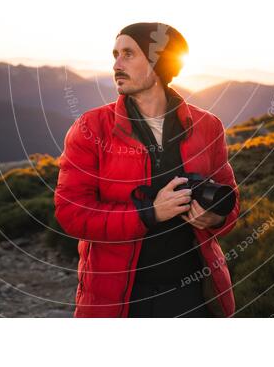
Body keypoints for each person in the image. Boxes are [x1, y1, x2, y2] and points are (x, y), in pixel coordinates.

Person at [54, 22, 240, 317]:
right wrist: (149, 212)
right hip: (120, 298)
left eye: (128, 54)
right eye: (115, 54)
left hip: (193, 294)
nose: (116, 64)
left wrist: (215, 217)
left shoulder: (208, 127)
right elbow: (72, 212)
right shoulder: (91, 128)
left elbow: (230, 205)